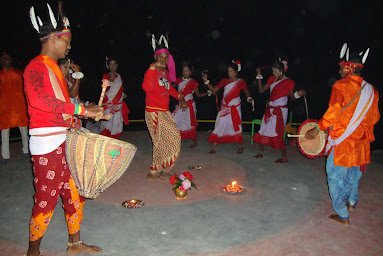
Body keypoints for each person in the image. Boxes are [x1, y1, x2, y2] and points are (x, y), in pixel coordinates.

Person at [24, 3, 103, 255]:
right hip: (47, 143)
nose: (69, 46)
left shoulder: (53, 69)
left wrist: (85, 110)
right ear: (54, 38)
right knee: (46, 200)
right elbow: (40, 102)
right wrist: (80, 111)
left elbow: (62, 104)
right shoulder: (35, 66)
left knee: (74, 194)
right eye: (67, 41)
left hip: (65, 140)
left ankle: (75, 244)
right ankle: (32, 251)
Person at [305, 45, 380, 225]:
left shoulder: (341, 85)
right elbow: (375, 117)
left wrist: (318, 128)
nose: (339, 70)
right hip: (361, 143)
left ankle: (342, 214)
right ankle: (352, 202)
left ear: (350, 67)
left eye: (341, 67)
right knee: (354, 174)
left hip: (344, 143)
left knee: (335, 175)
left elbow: (334, 111)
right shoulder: (372, 90)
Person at [142, 34, 185, 180]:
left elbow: (169, 89)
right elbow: (146, 87)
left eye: (166, 56)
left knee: (174, 137)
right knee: (159, 141)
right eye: (161, 56)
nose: (163, 58)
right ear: (156, 57)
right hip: (153, 112)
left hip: (164, 112)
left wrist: (179, 96)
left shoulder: (165, 72)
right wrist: (151, 70)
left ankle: (165, 166)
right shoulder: (151, 70)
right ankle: (153, 171)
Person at [253, 59, 304, 163]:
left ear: (281, 70)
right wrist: (259, 76)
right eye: (272, 71)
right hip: (270, 108)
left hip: (280, 111)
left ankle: (284, 156)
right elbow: (261, 90)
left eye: (275, 71)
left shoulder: (289, 82)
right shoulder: (272, 78)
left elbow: (291, 98)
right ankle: (260, 152)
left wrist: (298, 94)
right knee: (264, 128)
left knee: (278, 132)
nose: (273, 73)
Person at [203, 60, 254, 154]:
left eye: (231, 71)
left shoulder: (241, 82)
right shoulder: (224, 81)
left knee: (236, 127)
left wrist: (249, 98)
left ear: (236, 72)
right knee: (219, 124)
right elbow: (214, 91)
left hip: (235, 108)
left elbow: (246, 91)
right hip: (225, 108)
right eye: (228, 71)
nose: (229, 73)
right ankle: (214, 147)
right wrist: (206, 81)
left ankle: (241, 145)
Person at [0, 51, 29, 160]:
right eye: (3, 58)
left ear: (11, 60)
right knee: (4, 130)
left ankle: (26, 150)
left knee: (23, 129)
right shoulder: (0, 75)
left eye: (7, 57)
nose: (6, 59)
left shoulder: (19, 73)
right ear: (1, 61)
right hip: (4, 107)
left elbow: (26, 89)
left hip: (19, 106)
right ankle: (5, 155)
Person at [172, 62, 207, 148]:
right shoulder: (178, 80)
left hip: (189, 104)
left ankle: (194, 141)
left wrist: (207, 93)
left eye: (187, 71)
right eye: (184, 71)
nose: (185, 72)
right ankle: (176, 140)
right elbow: (171, 88)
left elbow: (198, 95)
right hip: (180, 104)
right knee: (175, 120)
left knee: (189, 123)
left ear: (190, 72)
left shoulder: (193, 82)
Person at [99, 57, 129, 138]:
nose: (113, 66)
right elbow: (104, 90)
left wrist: (122, 94)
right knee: (107, 126)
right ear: (108, 66)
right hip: (108, 105)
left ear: (117, 65)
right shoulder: (106, 76)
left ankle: (114, 143)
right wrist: (111, 82)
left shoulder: (120, 77)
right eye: (111, 64)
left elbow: (119, 90)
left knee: (117, 126)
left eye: (114, 64)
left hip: (118, 105)